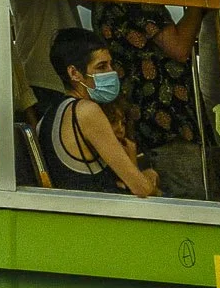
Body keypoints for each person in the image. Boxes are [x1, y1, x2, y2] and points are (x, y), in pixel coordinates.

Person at [86, 0, 211, 196]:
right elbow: (179, 48)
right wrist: (200, 1)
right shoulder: (138, 0)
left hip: (142, 122)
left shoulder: (103, 3)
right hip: (168, 122)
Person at [36, 31, 160, 195]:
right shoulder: (87, 112)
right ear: (74, 73)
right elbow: (141, 188)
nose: (111, 73)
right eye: (101, 67)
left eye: (111, 65)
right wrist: (139, 167)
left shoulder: (49, 116)